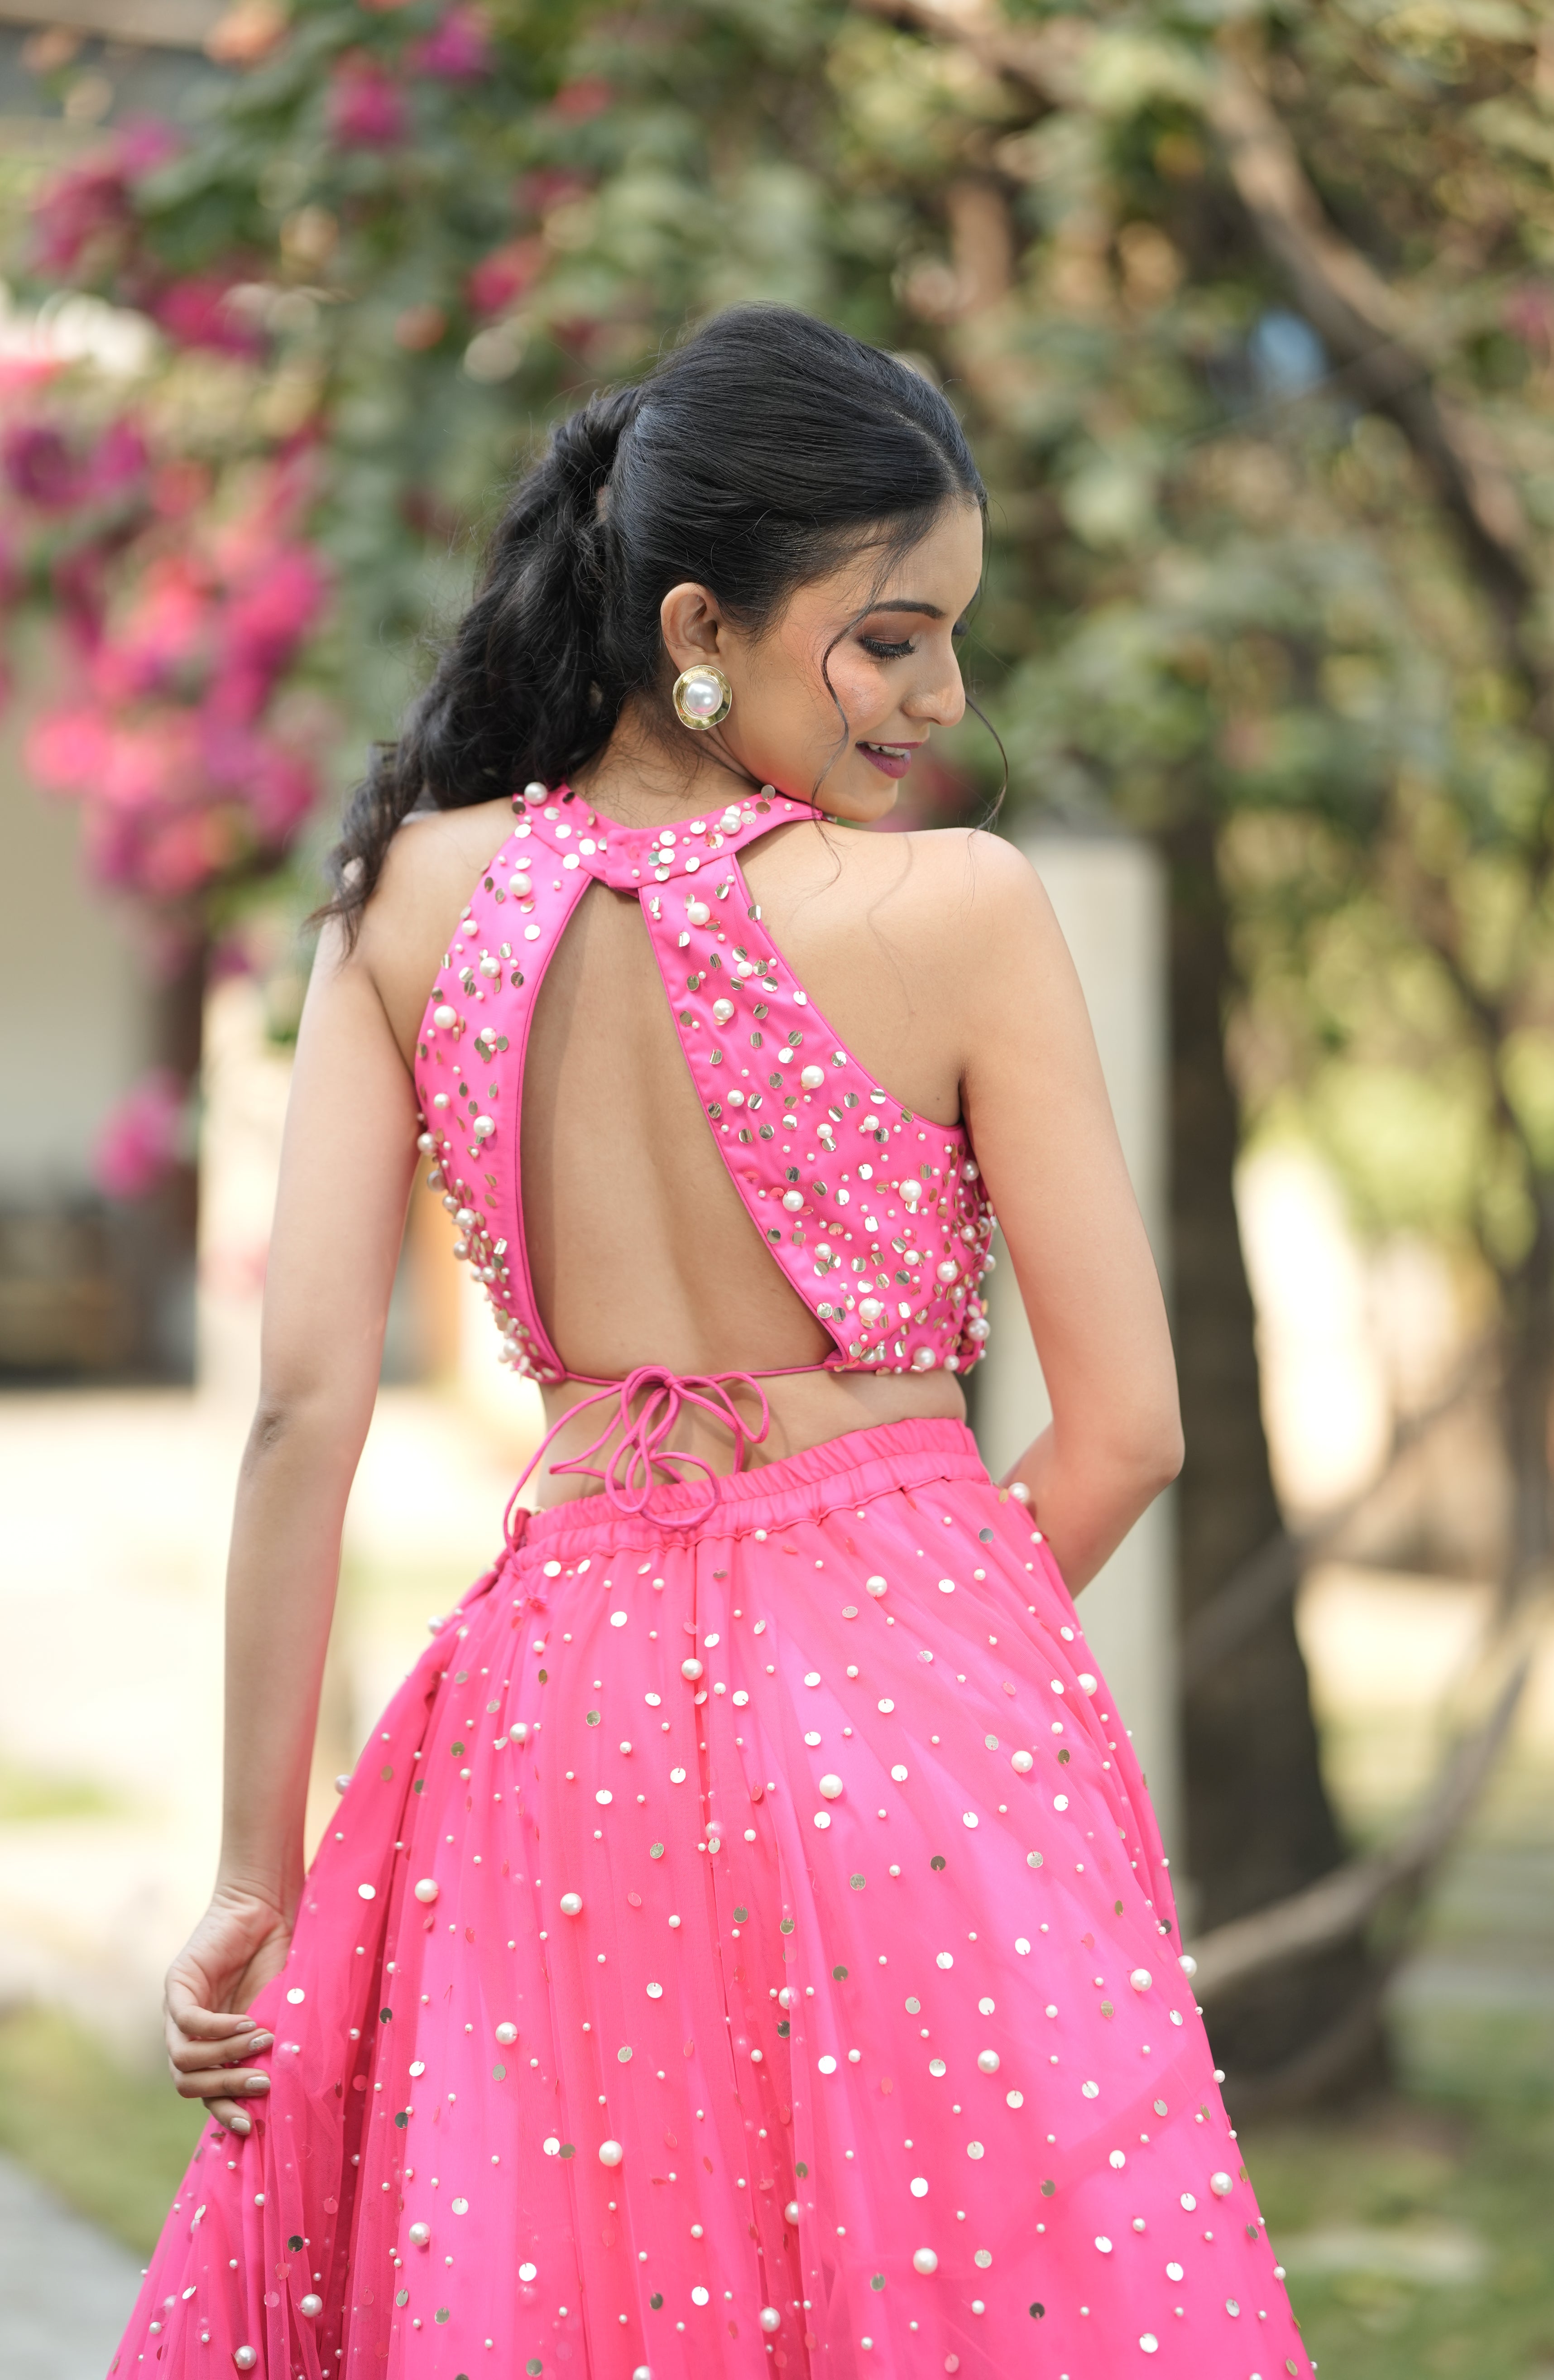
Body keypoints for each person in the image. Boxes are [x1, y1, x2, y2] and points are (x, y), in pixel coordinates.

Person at [112, 306, 1311, 2379]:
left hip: (543, 1744)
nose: (943, 696)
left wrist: (253, 1869)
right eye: (893, 638)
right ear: (699, 625)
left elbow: (304, 1412)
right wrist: (920, 1659)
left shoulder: (405, 903)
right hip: (910, 1742)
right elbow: (1126, 1430)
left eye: (949, 642)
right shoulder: (959, 911)